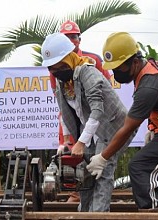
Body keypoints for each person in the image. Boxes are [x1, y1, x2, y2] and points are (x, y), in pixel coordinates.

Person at [86, 32, 158, 212]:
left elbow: (128, 128)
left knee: (141, 169)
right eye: (113, 69)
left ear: (134, 61)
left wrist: (103, 157)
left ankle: (150, 214)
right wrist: (153, 127)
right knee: (151, 176)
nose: (116, 73)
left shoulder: (149, 85)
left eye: (119, 68)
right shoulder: (145, 71)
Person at [41, 32, 135, 212]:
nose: (55, 71)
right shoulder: (63, 81)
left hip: (113, 129)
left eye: (59, 66)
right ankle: (84, 214)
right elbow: (65, 113)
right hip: (91, 130)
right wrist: (68, 141)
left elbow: (97, 110)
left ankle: (99, 215)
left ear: (69, 57)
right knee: (85, 175)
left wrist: (81, 142)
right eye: (51, 68)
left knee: (103, 173)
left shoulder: (87, 71)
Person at [52, 20, 111, 203]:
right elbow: (62, 104)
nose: (71, 41)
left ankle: (98, 201)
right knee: (76, 158)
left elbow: (106, 91)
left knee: (99, 161)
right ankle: (78, 195)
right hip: (75, 118)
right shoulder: (55, 65)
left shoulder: (92, 61)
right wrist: (66, 139)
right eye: (66, 37)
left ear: (79, 38)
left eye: (73, 37)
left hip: (96, 115)